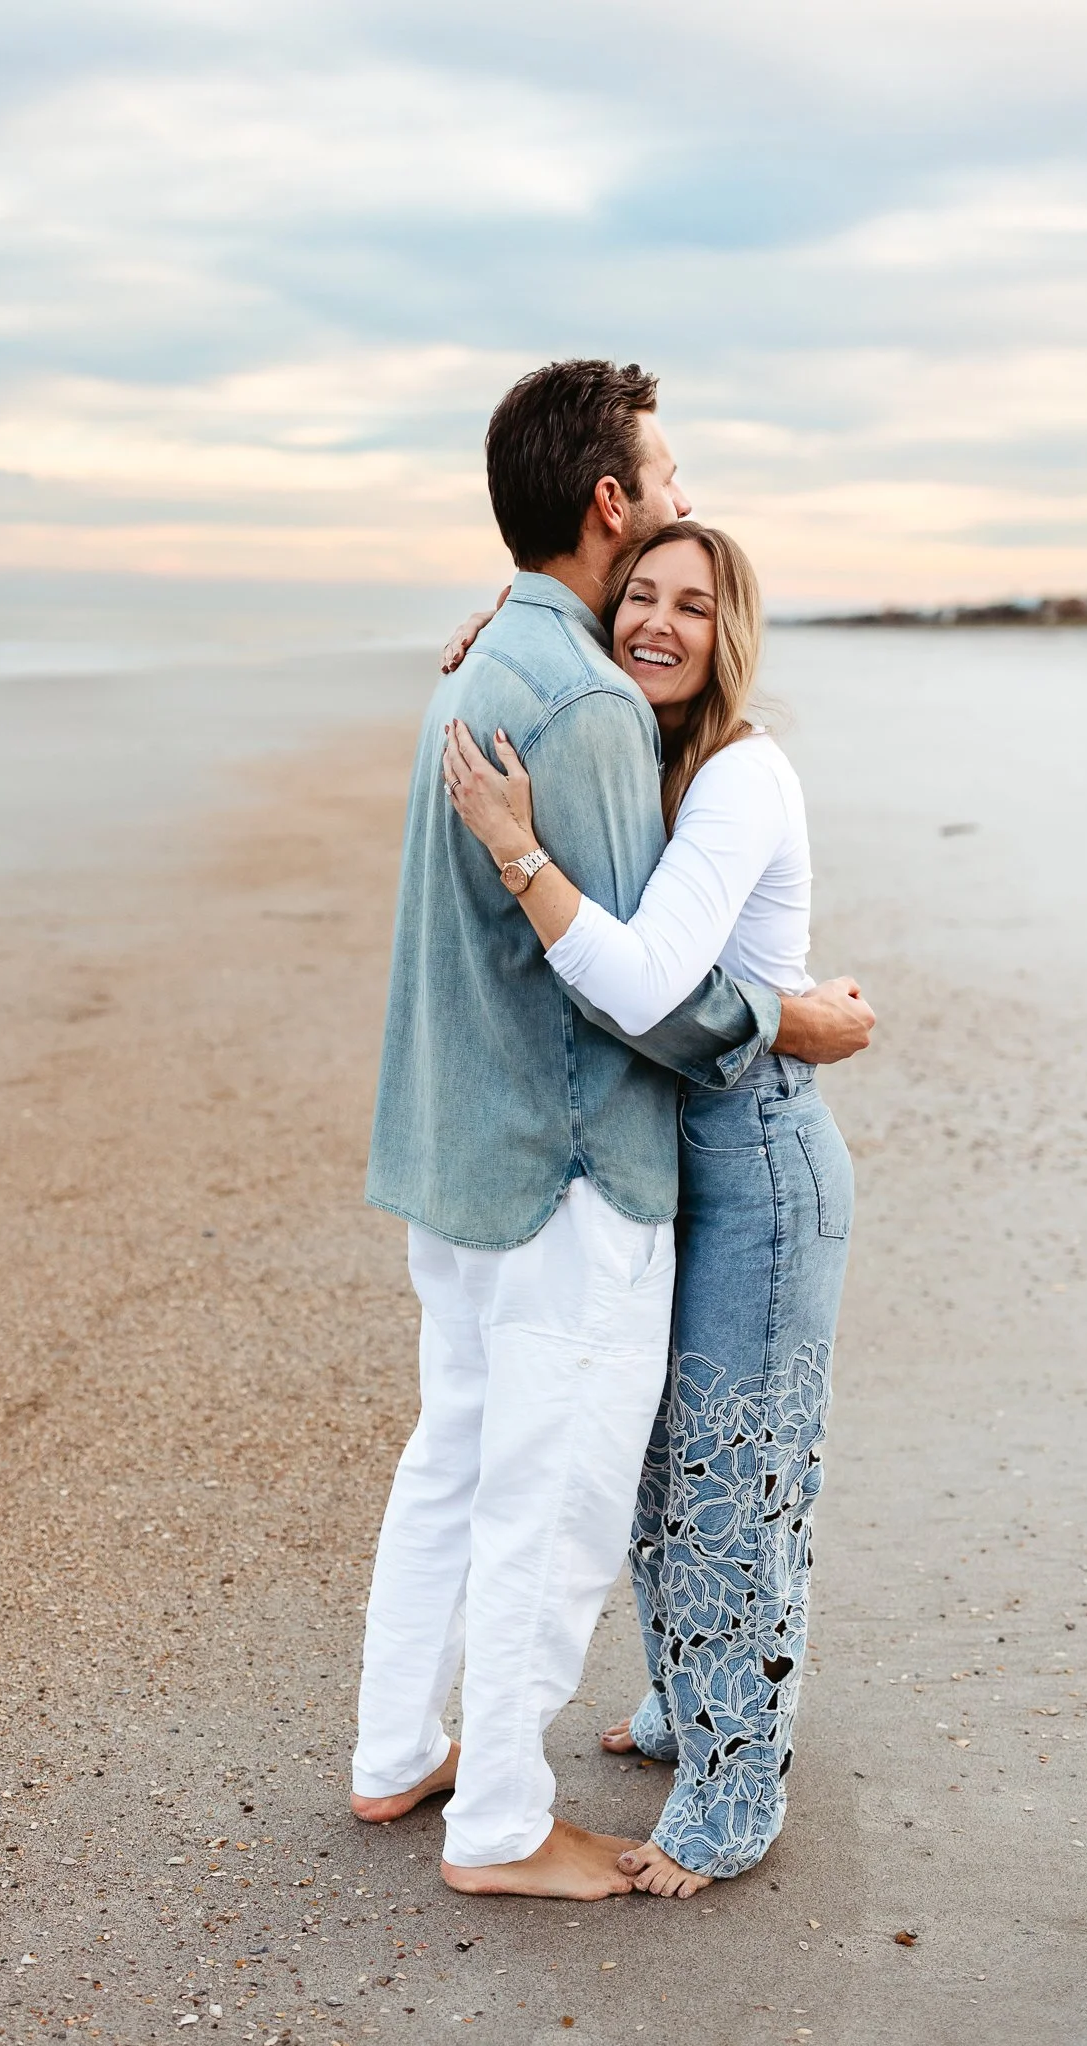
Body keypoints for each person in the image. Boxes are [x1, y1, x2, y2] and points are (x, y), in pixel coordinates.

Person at [352, 359, 874, 1902]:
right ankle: (503, 1824)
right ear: (609, 499)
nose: (679, 501)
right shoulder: (579, 705)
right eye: (664, 482)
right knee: (558, 1491)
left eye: (694, 595)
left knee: (460, 1457)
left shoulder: (484, 670)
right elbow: (648, 991)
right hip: (563, 1168)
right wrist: (792, 1014)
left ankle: (399, 1752)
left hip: (459, 1155)